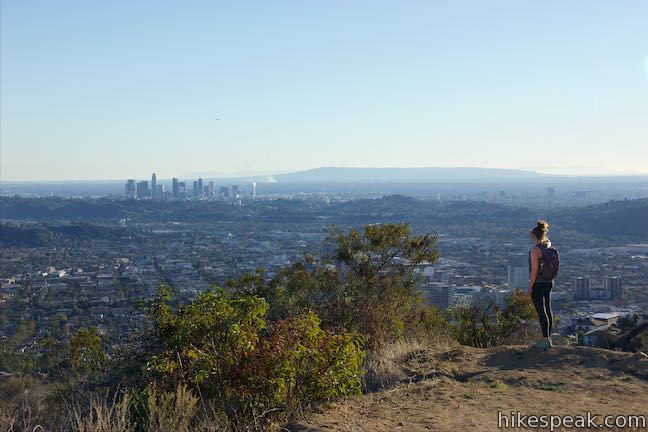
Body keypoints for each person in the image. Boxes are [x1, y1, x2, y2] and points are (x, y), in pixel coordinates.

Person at [528, 220, 554, 348]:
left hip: (538, 283)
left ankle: (545, 340)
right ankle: (548, 338)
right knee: (548, 309)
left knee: (541, 311)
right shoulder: (548, 244)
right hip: (549, 281)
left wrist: (530, 287)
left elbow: (534, 271)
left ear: (534, 235)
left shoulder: (535, 250)